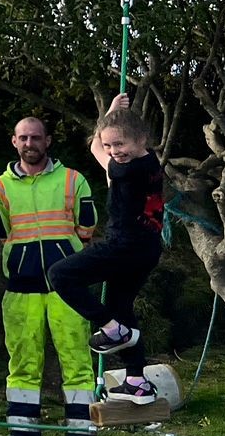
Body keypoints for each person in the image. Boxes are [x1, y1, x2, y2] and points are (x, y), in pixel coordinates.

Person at [0, 117, 101, 436]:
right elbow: (3, 230)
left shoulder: (73, 179)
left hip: (67, 287)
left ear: (48, 141)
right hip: (21, 288)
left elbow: (87, 228)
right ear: (13, 141)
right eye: (23, 137)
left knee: (78, 364)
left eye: (35, 137)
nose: (29, 143)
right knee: (22, 366)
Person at [50, 95, 166, 406]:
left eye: (120, 145)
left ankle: (111, 329)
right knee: (121, 307)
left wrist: (110, 115)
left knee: (60, 275)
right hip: (147, 248)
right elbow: (101, 142)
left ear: (141, 138)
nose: (115, 152)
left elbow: (93, 147)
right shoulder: (150, 160)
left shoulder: (125, 171)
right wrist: (113, 115)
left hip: (125, 246)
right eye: (111, 147)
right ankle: (136, 381)